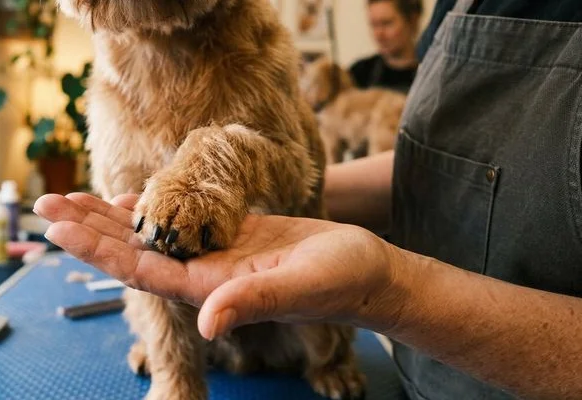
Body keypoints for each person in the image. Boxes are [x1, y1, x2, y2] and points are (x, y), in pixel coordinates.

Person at [33, 0, 582, 398]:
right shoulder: (106, 81)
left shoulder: (256, 48)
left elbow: (292, 163)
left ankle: (328, 359)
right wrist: (175, 374)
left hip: (340, 337)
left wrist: (231, 169)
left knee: (317, 344)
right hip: (225, 314)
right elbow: (434, 168)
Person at [349, 0, 422, 93]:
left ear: (412, 20)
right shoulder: (359, 73)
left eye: (387, 23)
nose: (379, 34)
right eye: (374, 24)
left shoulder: (431, 72)